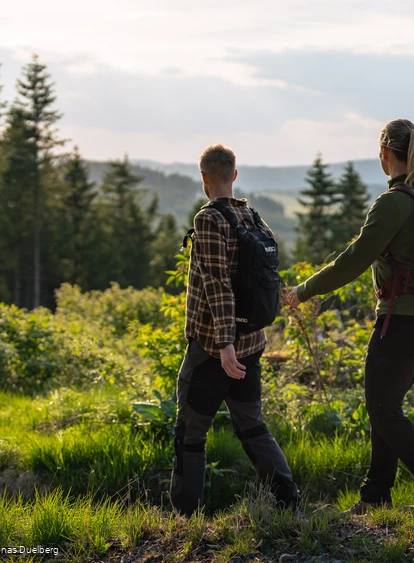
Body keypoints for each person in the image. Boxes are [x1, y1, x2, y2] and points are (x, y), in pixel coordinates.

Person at [286, 119, 414, 516]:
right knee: (385, 406)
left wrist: (302, 291)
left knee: (383, 409)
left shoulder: (393, 203)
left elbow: (354, 260)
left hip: (401, 327)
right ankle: (375, 497)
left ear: (384, 154)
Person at [171, 144, 300, 516]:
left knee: (190, 432)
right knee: (251, 425)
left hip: (214, 347)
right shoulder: (253, 217)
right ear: (235, 175)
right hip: (253, 341)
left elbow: (217, 284)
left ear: (204, 179)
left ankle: (185, 518)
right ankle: (288, 504)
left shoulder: (208, 220)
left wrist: (225, 343)